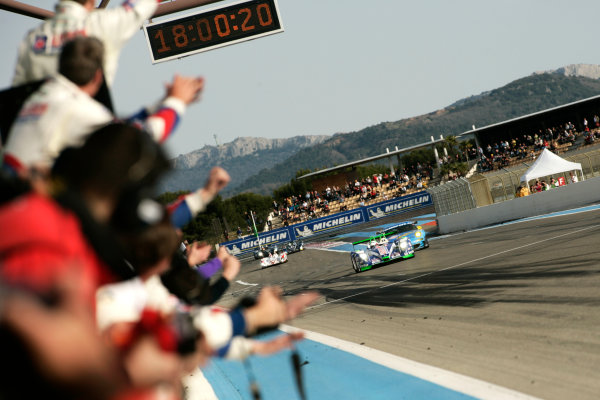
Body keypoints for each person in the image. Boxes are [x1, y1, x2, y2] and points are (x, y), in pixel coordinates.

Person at [3, 37, 204, 178]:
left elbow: (114, 128)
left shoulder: (43, 96)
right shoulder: (76, 108)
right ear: (98, 76)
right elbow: (136, 140)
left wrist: (162, 102)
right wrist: (177, 103)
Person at [12, 0, 159, 88]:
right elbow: (143, 4)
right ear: (92, 2)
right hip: (89, 132)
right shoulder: (102, 23)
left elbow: (16, 93)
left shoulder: (32, 38)